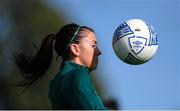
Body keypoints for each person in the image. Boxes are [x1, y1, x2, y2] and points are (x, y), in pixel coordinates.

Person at [12, 23, 107, 110]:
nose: (99, 52)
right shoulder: (77, 76)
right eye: (93, 45)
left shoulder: (57, 81)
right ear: (75, 49)